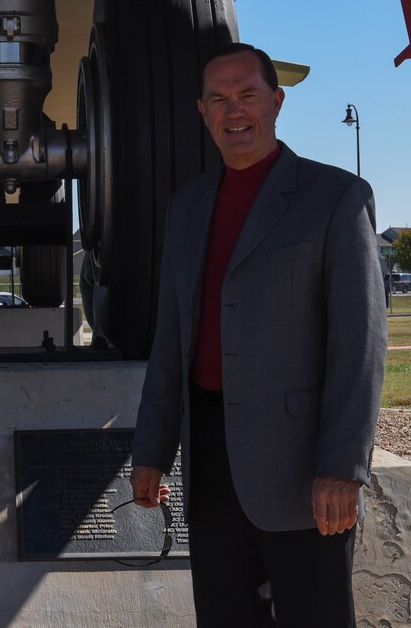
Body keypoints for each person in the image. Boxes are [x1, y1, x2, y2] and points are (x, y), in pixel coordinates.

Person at [129, 42, 386, 627]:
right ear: (202, 111)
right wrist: (151, 452)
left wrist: (344, 467)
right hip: (210, 465)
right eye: (219, 99)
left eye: (247, 94)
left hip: (303, 473)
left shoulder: (337, 200)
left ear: (276, 101)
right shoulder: (187, 208)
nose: (234, 110)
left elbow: (361, 347)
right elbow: (170, 343)